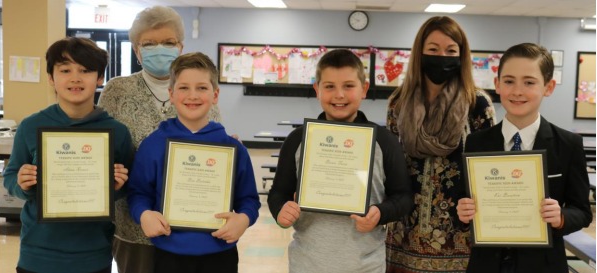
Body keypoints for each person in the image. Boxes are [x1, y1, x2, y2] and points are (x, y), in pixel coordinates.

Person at [97, 6, 222, 273]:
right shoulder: (117, 90)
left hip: (190, 230)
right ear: (136, 51)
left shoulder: (200, 90)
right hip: (135, 230)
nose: (159, 48)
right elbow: (100, 149)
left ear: (180, 47)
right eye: (149, 43)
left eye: (168, 42)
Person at [267, 49, 413, 273]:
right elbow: (278, 193)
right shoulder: (297, 140)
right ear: (317, 89)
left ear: (363, 89)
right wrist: (281, 211)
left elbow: (403, 197)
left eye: (348, 86)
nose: (339, 95)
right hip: (307, 264)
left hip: (365, 265)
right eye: (329, 87)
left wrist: (380, 213)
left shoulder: (384, 141)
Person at [456, 43, 593, 273]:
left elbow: (582, 211)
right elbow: (464, 200)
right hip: (487, 264)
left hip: (544, 265)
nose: (517, 91)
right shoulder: (477, 142)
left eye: (529, 82)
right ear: (497, 85)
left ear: (548, 87)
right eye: (509, 81)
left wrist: (561, 217)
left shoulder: (568, 144)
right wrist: (463, 210)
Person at [2, 37, 133, 273]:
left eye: (85, 70)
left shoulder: (117, 132)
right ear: (51, 78)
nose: (75, 77)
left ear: (100, 78)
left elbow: (124, 187)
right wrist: (22, 184)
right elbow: (11, 176)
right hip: (38, 256)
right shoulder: (31, 126)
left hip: (93, 256)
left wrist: (117, 186)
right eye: (65, 70)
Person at [126, 52, 260, 273]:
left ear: (215, 95)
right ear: (171, 93)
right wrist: (144, 214)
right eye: (184, 88)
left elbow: (249, 200)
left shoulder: (233, 149)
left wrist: (243, 219)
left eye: (202, 88)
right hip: (169, 254)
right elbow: (138, 193)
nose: (193, 95)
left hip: (220, 254)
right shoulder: (153, 145)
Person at [384, 16, 496, 272]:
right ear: (420, 52)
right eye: (433, 49)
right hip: (405, 232)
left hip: (459, 234)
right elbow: (390, 165)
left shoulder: (477, 103)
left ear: (462, 55)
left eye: (451, 50)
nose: (441, 56)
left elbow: (488, 168)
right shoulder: (398, 103)